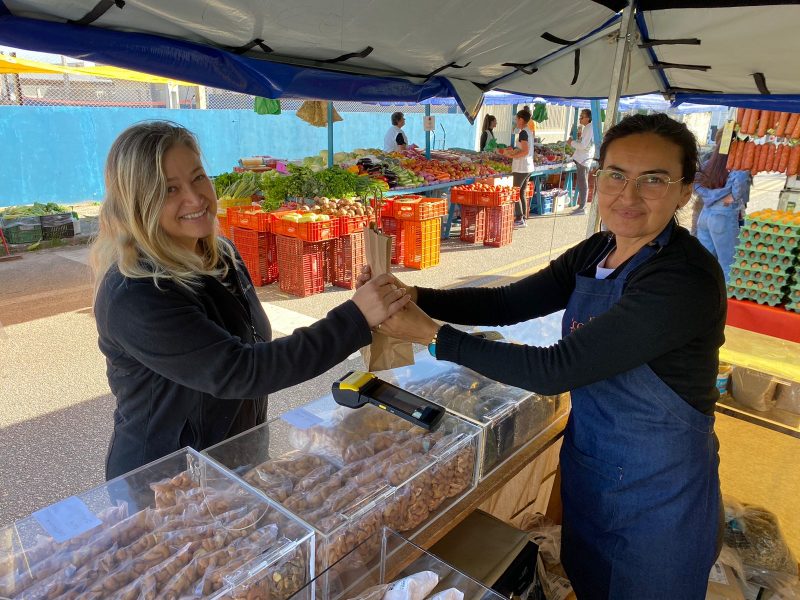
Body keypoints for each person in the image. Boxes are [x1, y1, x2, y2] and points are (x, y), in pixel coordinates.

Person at [363, 113, 725, 600]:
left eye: (654, 180)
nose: (629, 195)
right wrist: (416, 295)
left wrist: (432, 334)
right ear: (597, 178)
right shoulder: (600, 249)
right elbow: (506, 303)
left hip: (659, 492)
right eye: (616, 174)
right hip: (597, 468)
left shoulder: (683, 279)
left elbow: (555, 370)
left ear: (683, 191)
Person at [92, 121, 411, 480]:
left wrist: (364, 304)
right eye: (169, 190)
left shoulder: (221, 255)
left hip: (233, 456)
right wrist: (354, 318)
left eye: (198, 177)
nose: (195, 199)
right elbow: (242, 371)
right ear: (139, 203)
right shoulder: (136, 293)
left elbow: (258, 348)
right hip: (166, 480)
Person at [694, 142, 751, 282]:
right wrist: (729, 197)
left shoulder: (709, 163)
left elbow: (696, 184)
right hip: (723, 216)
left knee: (704, 262)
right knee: (729, 264)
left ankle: (702, 294)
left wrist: (709, 196)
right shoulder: (739, 166)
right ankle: (725, 300)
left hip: (705, 214)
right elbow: (739, 188)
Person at [500, 108, 535, 227]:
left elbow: (525, 151)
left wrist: (512, 155)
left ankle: (520, 218)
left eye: (517, 119)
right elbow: (524, 149)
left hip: (521, 167)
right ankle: (523, 217)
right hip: (528, 167)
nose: (516, 121)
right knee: (521, 192)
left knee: (515, 192)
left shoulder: (523, 133)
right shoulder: (528, 131)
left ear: (521, 119)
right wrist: (514, 150)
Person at [568, 108, 596, 214]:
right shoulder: (588, 128)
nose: (580, 118)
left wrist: (572, 143)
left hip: (583, 159)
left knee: (583, 183)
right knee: (581, 182)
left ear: (588, 118)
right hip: (582, 158)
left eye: (582, 116)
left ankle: (582, 207)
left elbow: (584, 146)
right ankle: (581, 206)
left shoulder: (589, 128)